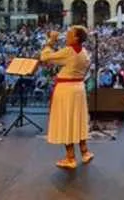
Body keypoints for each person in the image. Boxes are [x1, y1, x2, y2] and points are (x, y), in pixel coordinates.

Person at [40, 27, 94, 169]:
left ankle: (70, 158)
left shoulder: (69, 51)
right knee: (78, 119)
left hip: (66, 90)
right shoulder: (84, 52)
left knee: (67, 122)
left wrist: (50, 42)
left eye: (69, 34)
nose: (66, 36)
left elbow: (45, 57)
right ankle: (85, 152)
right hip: (79, 88)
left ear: (76, 38)